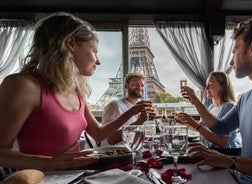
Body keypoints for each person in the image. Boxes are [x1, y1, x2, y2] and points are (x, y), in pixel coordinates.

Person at [0, 12, 149, 172]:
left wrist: (132, 111)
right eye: (94, 51)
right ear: (71, 43)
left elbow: (98, 134)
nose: (98, 61)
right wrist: (49, 163)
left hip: (77, 176)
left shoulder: (76, 91)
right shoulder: (23, 85)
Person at [179, 13, 252, 183]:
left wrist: (227, 161)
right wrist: (195, 100)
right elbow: (220, 127)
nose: (231, 61)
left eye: (235, 50)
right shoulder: (245, 98)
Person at [179, 71, 242, 149]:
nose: (206, 88)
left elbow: (221, 142)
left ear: (223, 87)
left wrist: (193, 122)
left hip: (226, 154)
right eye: (206, 85)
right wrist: (186, 123)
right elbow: (201, 128)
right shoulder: (211, 107)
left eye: (211, 85)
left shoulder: (228, 107)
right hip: (212, 151)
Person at [101, 72, 152, 146]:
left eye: (142, 85)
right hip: (116, 153)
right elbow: (110, 139)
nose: (140, 87)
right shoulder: (115, 106)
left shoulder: (141, 107)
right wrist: (138, 122)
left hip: (133, 149)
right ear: (126, 86)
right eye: (135, 84)